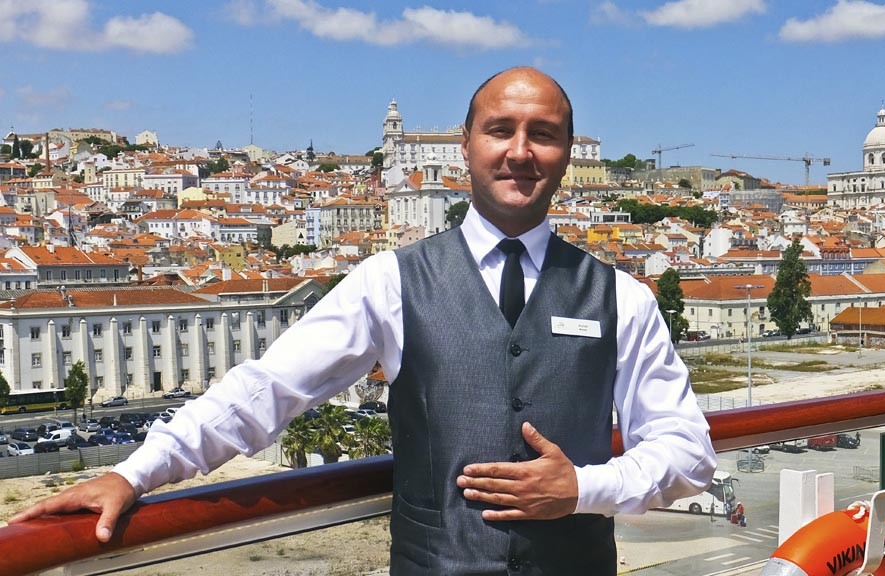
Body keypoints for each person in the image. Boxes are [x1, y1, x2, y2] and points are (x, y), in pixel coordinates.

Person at [12, 67, 716, 575]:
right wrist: (135, 474)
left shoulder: (624, 297)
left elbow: (688, 454)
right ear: (464, 146)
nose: (521, 151)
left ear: (569, 153)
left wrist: (584, 489)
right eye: (501, 130)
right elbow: (265, 393)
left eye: (545, 134)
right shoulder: (389, 281)